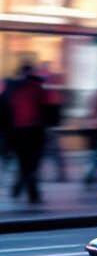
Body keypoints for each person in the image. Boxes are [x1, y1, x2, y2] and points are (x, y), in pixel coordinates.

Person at [2, 62, 51, 204]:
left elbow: (4, 112)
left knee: (25, 163)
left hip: (17, 133)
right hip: (33, 132)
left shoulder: (10, 89)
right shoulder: (37, 89)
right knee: (31, 165)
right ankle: (32, 194)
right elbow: (47, 111)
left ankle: (19, 189)